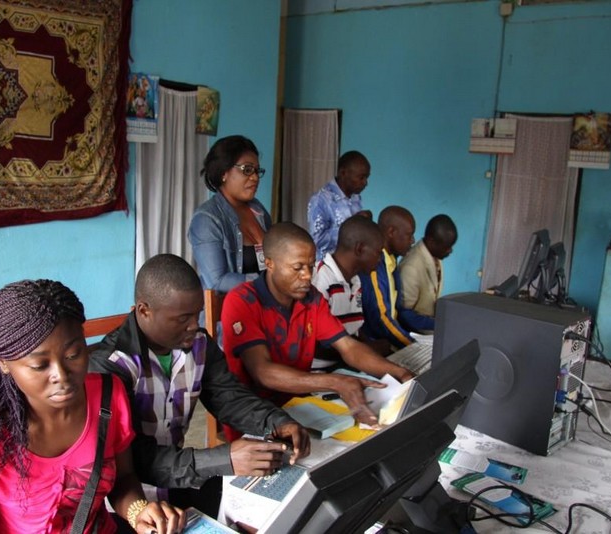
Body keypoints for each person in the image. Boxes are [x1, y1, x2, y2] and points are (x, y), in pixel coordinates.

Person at [0, 280, 184, 534]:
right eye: (40, 365)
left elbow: (123, 477)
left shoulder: (107, 394)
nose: (62, 376)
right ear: (4, 363)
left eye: (73, 354)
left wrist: (138, 511)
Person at [89, 254, 310, 516]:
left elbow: (229, 398)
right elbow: (133, 460)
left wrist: (276, 421)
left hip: (179, 480)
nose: (195, 326)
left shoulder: (199, 346)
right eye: (183, 318)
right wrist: (223, 459)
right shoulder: (111, 366)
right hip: (125, 502)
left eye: (197, 314)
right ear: (144, 310)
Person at [221, 222, 414, 431]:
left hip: (300, 407)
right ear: (270, 263)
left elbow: (347, 346)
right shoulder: (242, 300)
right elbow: (263, 372)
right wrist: (336, 382)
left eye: (311, 266)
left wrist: (399, 373)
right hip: (254, 418)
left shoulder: (311, 298)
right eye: (297, 268)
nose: (307, 275)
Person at [189, 135, 272, 293]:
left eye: (256, 171)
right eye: (247, 170)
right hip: (229, 313)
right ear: (223, 173)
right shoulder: (207, 219)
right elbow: (218, 281)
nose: (254, 178)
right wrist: (270, 282)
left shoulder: (258, 210)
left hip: (264, 306)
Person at [311, 216, 391, 367]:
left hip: (346, 364)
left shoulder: (355, 281)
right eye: (378, 252)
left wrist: (369, 348)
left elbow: (353, 329)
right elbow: (314, 346)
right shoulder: (320, 281)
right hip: (322, 371)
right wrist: (366, 351)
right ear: (359, 249)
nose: (380, 259)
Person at [361, 206, 434, 350]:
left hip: (391, 338)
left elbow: (400, 312)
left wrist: (438, 324)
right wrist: (411, 346)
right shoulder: (375, 265)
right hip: (375, 344)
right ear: (391, 232)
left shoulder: (392, 261)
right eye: (409, 235)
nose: (413, 241)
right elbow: (382, 319)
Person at [307, 151, 372, 261]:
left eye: (367, 177)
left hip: (351, 268)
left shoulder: (355, 198)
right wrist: (351, 225)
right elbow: (316, 240)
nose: (365, 183)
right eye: (361, 177)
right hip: (327, 269)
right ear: (343, 173)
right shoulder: (321, 200)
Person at [399, 214, 458, 319]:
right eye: (447, 247)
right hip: (416, 332)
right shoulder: (411, 267)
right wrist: (435, 325)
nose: (450, 251)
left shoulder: (435, 256)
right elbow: (404, 314)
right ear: (431, 242)